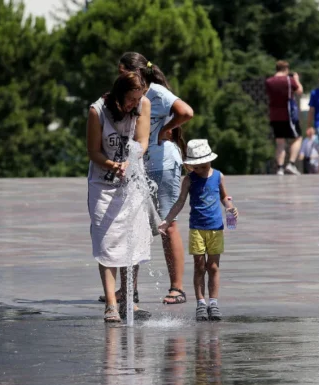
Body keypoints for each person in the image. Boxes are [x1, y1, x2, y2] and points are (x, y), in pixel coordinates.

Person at [112, 52, 194, 306]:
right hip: (141, 165)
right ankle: (128, 290)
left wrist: (167, 130)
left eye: (121, 70)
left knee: (168, 225)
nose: (118, 75)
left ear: (135, 72)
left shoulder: (155, 91)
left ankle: (177, 288)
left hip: (163, 164)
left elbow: (186, 111)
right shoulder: (130, 95)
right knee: (134, 226)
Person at [87, 71, 152, 323]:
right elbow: (93, 151)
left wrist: (130, 160)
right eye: (131, 100)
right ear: (118, 95)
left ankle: (128, 299)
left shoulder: (143, 104)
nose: (135, 104)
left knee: (133, 241)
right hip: (103, 184)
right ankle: (111, 304)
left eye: (139, 99)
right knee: (107, 243)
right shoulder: (97, 111)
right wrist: (113, 165)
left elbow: (142, 141)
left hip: (132, 180)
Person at [158, 139, 238, 322]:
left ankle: (214, 303)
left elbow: (225, 197)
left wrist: (230, 207)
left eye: (202, 166)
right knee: (199, 266)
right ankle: (201, 303)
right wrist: (167, 220)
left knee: (214, 266)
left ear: (209, 161)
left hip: (216, 228)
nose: (199, 170)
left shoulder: (218, 176)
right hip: (197, 229)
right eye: (196, 167)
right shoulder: (189, 179)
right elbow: (180, 202)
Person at [265, 60, 304, 175]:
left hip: (274, 114)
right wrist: (296, 79)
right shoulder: (289, 80)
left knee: (280, 141)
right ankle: (291, 164)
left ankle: (280, 168)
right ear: (286, 69)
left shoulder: (269, 81)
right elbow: (300, 91)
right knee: (298, 137)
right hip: (288, 115)